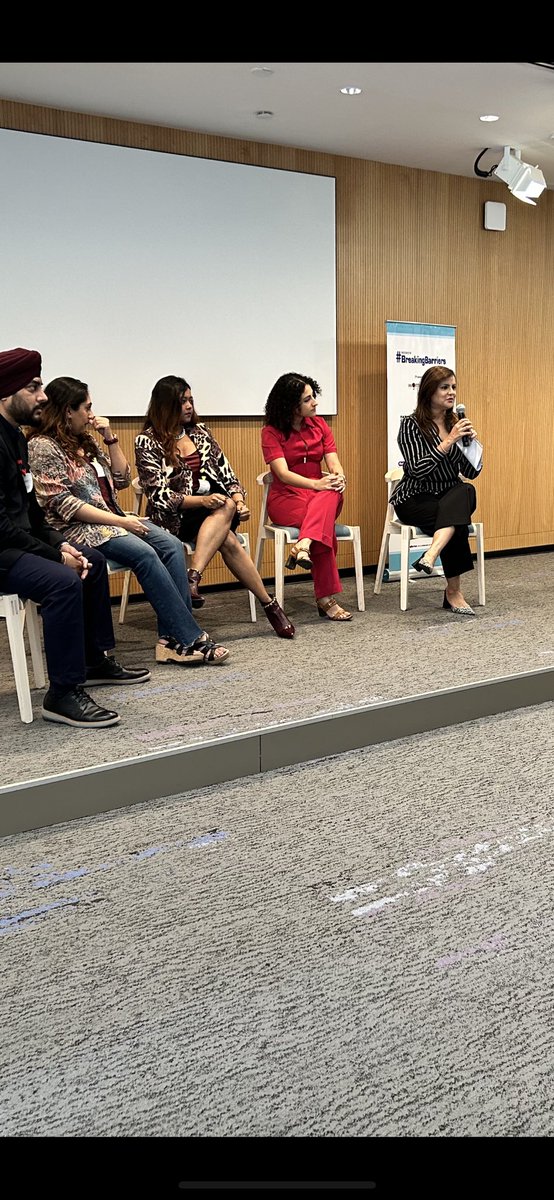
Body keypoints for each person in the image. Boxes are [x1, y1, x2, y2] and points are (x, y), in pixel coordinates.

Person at [27, 377, 230, 665]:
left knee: (171, 545)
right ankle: (189, 638)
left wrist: (109, 437)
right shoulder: (43, 446)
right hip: (78, 529)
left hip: (113, 521)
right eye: (86, 408)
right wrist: (121, 523)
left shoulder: (84, 441)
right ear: (67, 411)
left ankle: (168, 641)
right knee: (146, 554)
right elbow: (61, 503)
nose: (91, 414)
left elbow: (121, 479)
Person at [0, 348, 151, 728]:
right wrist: (55, 557)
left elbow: (31, 514)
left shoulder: (15, 439)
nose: (43, 396)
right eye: (33, 387)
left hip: (14, 545)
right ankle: (62, 693)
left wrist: (61, 544)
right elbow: (1, 527)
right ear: (5, 394)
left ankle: (92, 660)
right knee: (63, 580)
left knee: (92, 561)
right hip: (2, 550)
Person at [135, 376, 294, 639]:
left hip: (214, 511)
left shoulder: (201, 432)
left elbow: (228, 475)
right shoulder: (147, 441)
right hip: (175, 517)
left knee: (228, 505)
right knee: (229, 540)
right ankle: (269, 604)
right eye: (182, 401)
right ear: (165, 406)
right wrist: (203, 501)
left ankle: (193, 578)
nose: (188, 406)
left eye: (190, 400)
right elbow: (159, 496)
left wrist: (240, 501)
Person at [391, 365, 483, 616]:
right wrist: (448, 441)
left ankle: (430, 555)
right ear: (429, 391)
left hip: (448, 494)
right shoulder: (411, 425)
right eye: (444, 387)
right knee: (458, 521)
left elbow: (472, 472)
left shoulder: (456, 424)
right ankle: (453, 592)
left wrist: (470, 446)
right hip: (415, 497)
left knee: (465, 490)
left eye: (453, 387)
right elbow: (417, 469)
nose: (451, 393)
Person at [261, 372, 351, 622]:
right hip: (286, 498)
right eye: (308, 399)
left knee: (330, 492)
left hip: (319, 496)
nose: (315, 403)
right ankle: (325, 598)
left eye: (314, 397)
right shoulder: (271, 432)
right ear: (292, 405)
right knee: (323, 525)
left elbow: (334, 462)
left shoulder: (321, 425)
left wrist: (338, 476)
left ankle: (304, 544)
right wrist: (318, 484)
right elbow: (282, 473)